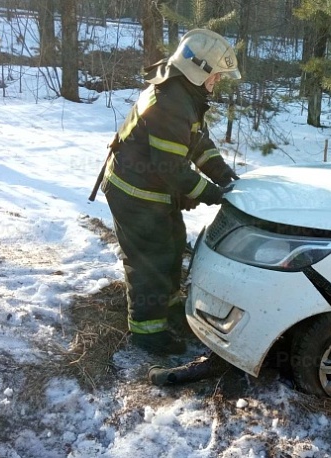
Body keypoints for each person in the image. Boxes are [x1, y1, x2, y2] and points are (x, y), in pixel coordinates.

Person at [100, 29, 241, 357]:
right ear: (200, 70)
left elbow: (197, 143)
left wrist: (224, 175)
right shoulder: (173, 100)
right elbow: (172, 170)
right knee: (151, 258)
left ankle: (167, 309)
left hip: (150, 190)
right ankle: (147, 332)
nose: (217, 82)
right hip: (135, 193)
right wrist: (213, 194)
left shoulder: (182, 91)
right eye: (216, 75)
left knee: (174, 242)